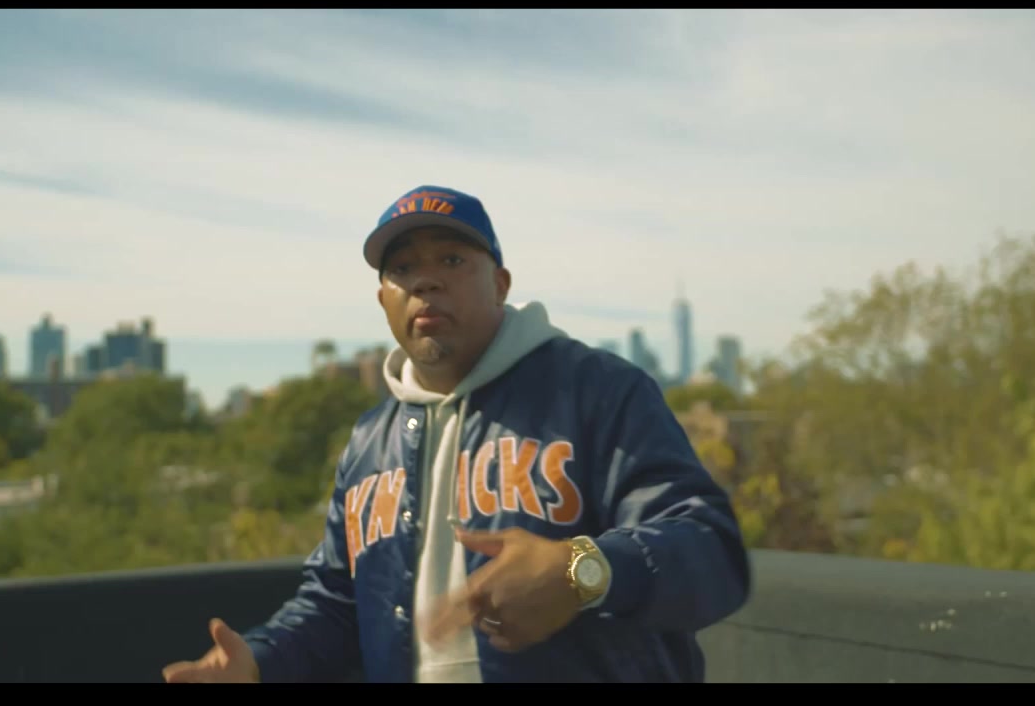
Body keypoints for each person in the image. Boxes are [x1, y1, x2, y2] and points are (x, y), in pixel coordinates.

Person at [162, 185, 751, 683]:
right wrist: (257, 662)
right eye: (402, 269)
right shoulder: (369, 442)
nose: (425, 281)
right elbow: (337, 603)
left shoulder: (597, 389)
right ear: (383, 299)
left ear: (500, 283)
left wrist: (580, 571)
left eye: (451, 260)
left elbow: (709, 550)